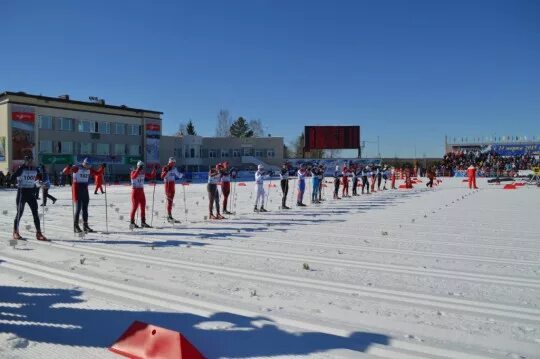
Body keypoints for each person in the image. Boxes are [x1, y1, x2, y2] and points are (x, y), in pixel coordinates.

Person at [12, 155, 48, 241]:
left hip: (31, 193)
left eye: (32, 160)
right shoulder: (21, 168)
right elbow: (12, 178)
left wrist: (42, 184)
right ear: (25, 161)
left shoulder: (35, 169)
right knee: (20, 212)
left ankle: (38, 233)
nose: (31, 162)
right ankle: (15, 231)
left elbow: (38, 180)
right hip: (22, 193)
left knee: (35, 213)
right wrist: (18, 176)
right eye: (29, 161)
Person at [66, 158, 98, 233]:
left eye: (89, 165)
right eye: (87, 164)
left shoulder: (89, 169)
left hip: (84, 189)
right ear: (84, 163)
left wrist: (102, 168)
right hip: (77, 189)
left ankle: (85, 226)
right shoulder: (77, 167)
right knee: (78, 209)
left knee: (85, 209)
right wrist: (69, 167)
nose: (88, 166)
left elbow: (97, 173)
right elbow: (66, 171)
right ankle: (76, 226)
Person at [129, 161, 157, 228]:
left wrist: (154, 169)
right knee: (135, 207)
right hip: (135, 191)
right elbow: (133, 177)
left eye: (142, 167)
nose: (142, 168)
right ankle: (132, 223)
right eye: (140, 166)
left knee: (143, 207)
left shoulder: (143, 173)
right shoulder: (133, 171)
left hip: (141, 191)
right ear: (138, 166)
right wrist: (138, 170)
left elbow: (151, 176)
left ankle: (143, 222)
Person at [161, 157, 183, 222]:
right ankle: (169, 216)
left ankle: (170, 216)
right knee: (169, 200)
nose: (174, 164)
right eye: (173, 163)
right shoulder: (165, 167)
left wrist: (182, 175)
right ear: (170, 162)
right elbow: (162, 176)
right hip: (167, 184)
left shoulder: (174, 169)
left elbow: (178, 175)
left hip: (172, 184)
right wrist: (167, 170)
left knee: (171, 201)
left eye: (174, 163)